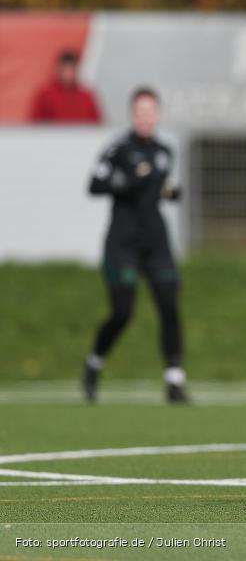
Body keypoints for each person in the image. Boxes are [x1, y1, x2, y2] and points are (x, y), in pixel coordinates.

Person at [84, 87, 186, 404]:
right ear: (132, 115)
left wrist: (170, 192)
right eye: (139, 112)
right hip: (123, 242)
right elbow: (95, 184)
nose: (145, 118)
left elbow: (161, 188)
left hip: (155, 241)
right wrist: (128, 181)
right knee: (123, 311)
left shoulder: (164, 151)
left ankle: (174, 380)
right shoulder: (118, 149)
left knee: (169, 305)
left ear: (157, 115)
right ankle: (94, 362)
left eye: (150, 112)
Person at [30, 49, 102, 123]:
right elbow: (36, 126)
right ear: (58, 70)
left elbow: (97, 125)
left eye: (71, 69)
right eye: (65, 69)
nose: (68, 73)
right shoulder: (46, 96)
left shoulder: (86, 97)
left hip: (81, 134)